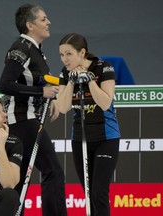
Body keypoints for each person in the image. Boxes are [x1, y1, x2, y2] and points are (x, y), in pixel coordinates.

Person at [0, 3, 67, 216]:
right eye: (43, 19)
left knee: (18, 181)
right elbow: (5, 84)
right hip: (20, 120)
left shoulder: (36, 51)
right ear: (30, 25)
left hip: (27, 120)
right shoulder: (21, 48)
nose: (49, 23)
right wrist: (42, 93)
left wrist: (50, 97)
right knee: (53, 171)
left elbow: (36, 81)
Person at [56, 33, 120, 216]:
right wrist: (71, 81)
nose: (64, 59)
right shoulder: (65, 72)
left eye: (68, 54)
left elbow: (106, 103)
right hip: (80, 138)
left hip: (106, 137)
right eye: (61, 55)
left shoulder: (103, 67)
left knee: (99, 193)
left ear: (82, 52)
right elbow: (62, 107)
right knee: (89, 194)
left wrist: (89, 80)